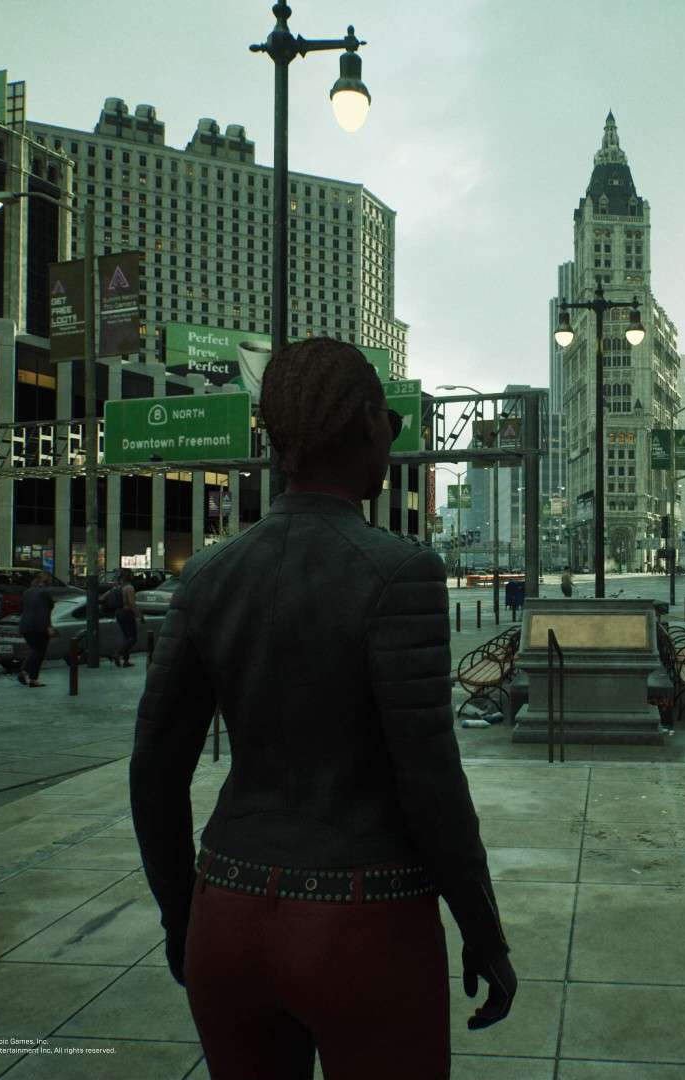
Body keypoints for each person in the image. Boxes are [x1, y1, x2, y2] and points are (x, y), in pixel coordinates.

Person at [130, 338, 515, 1079]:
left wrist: (182, 915)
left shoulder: (207, 575)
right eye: (388, 423)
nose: (391, 439)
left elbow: (153, 770)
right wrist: (483, 930)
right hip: (365, 920)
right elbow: (430, 780)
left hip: (227, 908)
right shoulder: (402, 571)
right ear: (366, 423)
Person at [17, 572, 56, 687]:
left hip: (25, 625)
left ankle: (29, 675)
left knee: (35, 650)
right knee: (39, 652)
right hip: (39, 626)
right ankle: (28, 674)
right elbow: (45, 611)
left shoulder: (27, 592)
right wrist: (48, 626)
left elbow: (23, 607)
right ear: (46, 583)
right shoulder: (44, 593)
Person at [110, 578, 139, 667]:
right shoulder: (129, 588)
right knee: (132, 638)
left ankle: (126, 661)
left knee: (127, 637)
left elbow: (103, 598)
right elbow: (131, 603)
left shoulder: (117, 588)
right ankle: (118, 654)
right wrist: (138, 614)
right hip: (127, 613)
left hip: (118, 612)